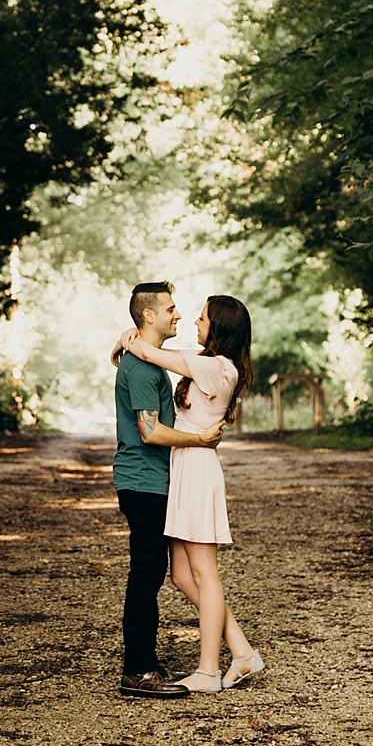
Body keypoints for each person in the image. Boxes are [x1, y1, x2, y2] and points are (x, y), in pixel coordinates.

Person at [114, 295, 265, 693]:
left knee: (204, 573)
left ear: (220, 328)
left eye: (201, 317)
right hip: (182, 469)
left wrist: (129, 339)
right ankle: (243, 652)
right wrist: (128, 338)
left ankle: (208, 670)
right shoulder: (211, 365)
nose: (193, 321)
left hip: (195, 470)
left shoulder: (216, 367)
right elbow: (147, 350)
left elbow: (153, 352)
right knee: (182, 575)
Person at [111, 281, 225, 699]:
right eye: (171, 309)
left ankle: (146, 661)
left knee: (153, 572)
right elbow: (150, 430)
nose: (178, 315)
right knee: (145, 574)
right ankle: (137, 669)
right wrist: (202, 441)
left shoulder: (147, 360)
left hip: (154, 482)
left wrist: (126, 342)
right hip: (143, 482)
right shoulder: (141, 368)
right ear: (149, 316)